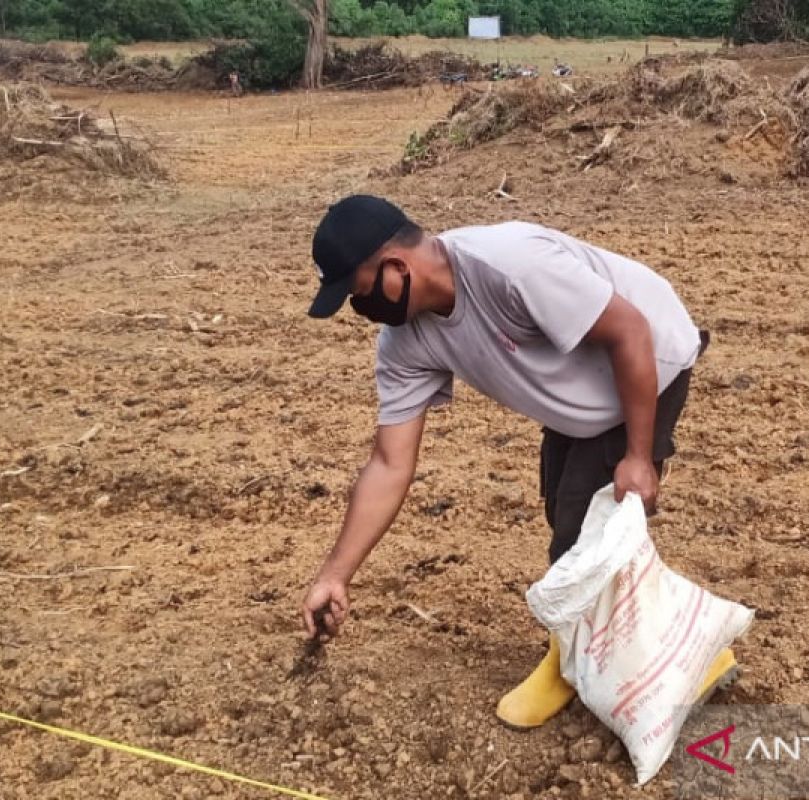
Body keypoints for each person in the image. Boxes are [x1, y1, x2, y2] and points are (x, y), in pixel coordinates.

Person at [300, 195, 738, 728]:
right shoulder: (404, 343)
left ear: (395, 267)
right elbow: (390, 463)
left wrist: (639, 457)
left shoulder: (510, 266)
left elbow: (630, 331)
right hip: (578, 398)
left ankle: (572, 664)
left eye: (357, 292)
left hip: (649, 358)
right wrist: (336, 575)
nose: (359, 310)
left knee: (581, 531)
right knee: (566, 509)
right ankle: (694, 648)